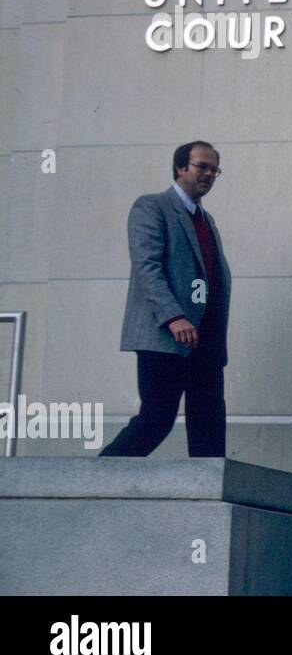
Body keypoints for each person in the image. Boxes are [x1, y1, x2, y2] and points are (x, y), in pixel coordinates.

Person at [102, 141, 231, 457]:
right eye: (202, 166)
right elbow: (147, 267)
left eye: (214, 169)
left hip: (206, 341)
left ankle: (208, 498)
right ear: (180, 167)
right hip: (165, 337)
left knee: (209, 423)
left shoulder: (206, 220)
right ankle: (96, 480)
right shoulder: (152, 207)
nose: (209, 174)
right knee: (156, 419)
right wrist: (174, 317)